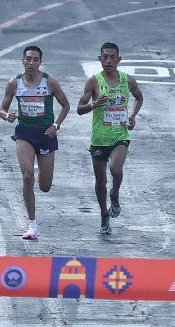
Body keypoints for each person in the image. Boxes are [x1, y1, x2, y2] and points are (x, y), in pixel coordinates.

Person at [0, 45, 71, 240]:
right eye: (28, 59)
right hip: (25, 133)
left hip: (46, 134)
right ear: (23, 61)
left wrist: (56, 125)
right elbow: (1, 109)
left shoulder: (49, 82)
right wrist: (7, 116)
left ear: (40, 62)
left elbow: (66, 105)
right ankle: (32, 225)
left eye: (35, 59)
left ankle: (40, 165)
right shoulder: (14, 83)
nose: (31, 63)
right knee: (27, 176)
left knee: (44, 186)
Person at [76, 42, 144, 235]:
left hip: (120, 136)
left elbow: (139, 98)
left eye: (112, 57)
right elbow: (79, 109)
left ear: (118, 59)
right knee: (100, 181)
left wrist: (132, 116)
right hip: (99, 138)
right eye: (104, 57)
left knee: (115, 169)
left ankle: (115, 193)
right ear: (100, 59)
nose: (108, 61)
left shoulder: (127, 81)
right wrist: (94, 104)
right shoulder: (93, 82)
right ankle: (104, 214)